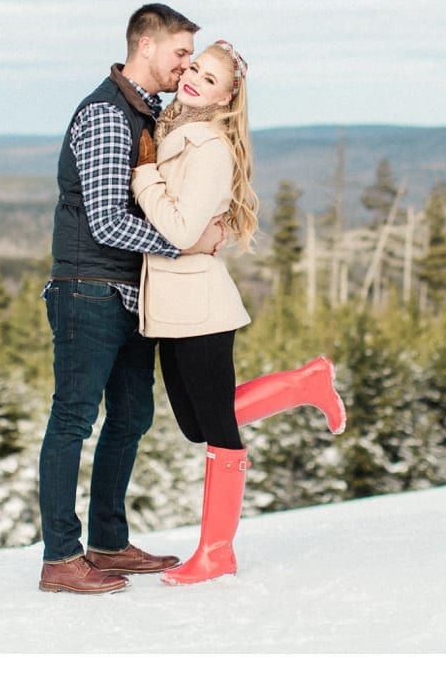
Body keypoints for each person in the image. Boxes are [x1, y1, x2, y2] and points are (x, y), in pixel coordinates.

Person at [131, 39, 346, 586]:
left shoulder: (209, 148)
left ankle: (217, 551)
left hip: (201, 306)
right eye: (194, 68)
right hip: (173, 305)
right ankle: (303, 384)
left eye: (210, 78)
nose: (194, 79)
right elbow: (185, 228)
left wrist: (146, 175)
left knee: (219, 430)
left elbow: (179, 230)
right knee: (195, 422)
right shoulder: (178, 129)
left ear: (228, 97)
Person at [37, 3, 228, 596]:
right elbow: (105, 222)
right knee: (74, 417)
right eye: (179, 54)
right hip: (86, 288)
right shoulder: (104, 114)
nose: (184, 66)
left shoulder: (147, 115)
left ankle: (108, 542)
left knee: (131, 416)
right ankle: (61, 558)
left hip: (129, 292)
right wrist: (186, 246)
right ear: (145, 47)